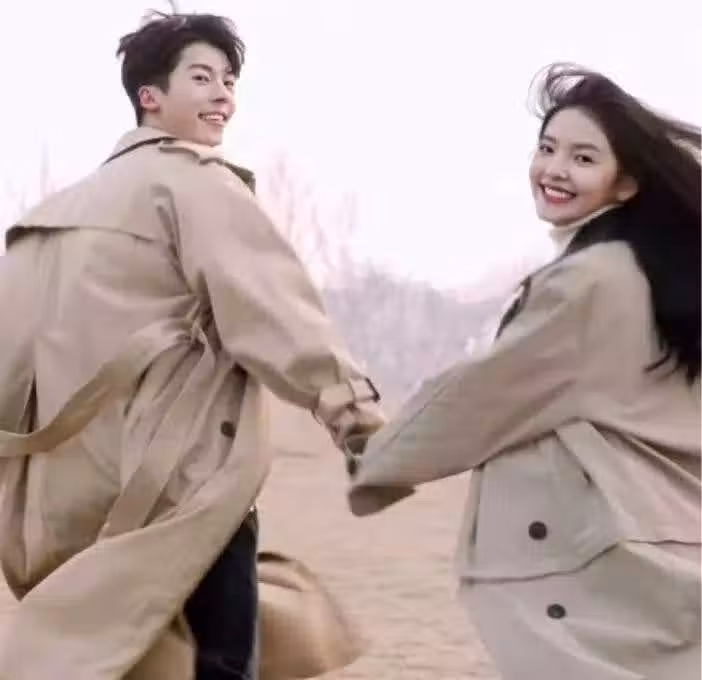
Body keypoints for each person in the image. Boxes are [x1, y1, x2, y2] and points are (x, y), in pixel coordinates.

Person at [0, 11, 383, 680]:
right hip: (182, 477)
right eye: (201, 78)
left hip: (65, 492)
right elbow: (275, 309)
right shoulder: (196, 182)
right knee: (219, 659)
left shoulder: (47, 218)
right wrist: (357, 416)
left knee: (129, 656)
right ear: (150, 96)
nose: (222, 95)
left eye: (229, 81)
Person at [348, 63, 701, 680]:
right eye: (547, 148)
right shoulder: (663, 277)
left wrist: (375, 458)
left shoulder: (589, 281)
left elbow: (486, 395)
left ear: (625, 185)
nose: (555, 169)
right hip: (674, 529)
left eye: (583, 158)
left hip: (601, 545)